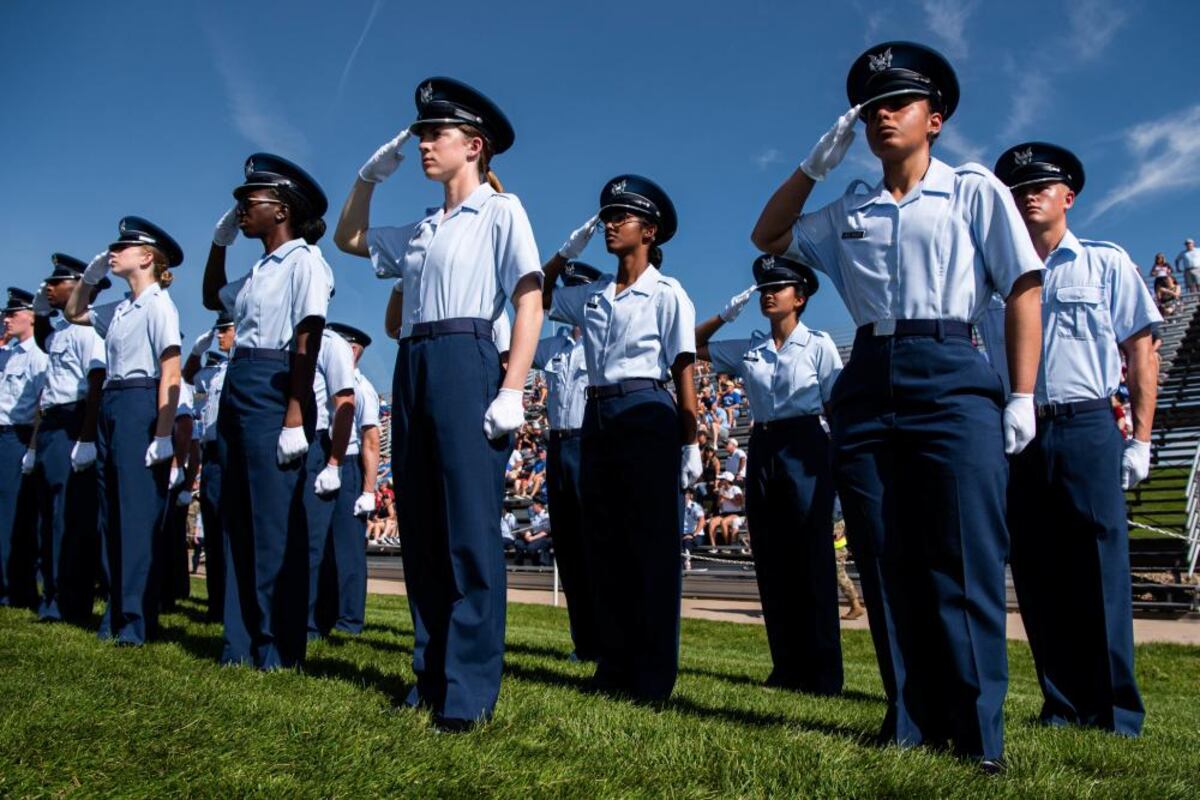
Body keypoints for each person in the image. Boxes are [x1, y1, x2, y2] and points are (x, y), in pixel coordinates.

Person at [750, 42, 1045, 767]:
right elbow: (769, 235)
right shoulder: (848, 207)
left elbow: (1024, 286)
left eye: (899, 103)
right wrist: (815, 165)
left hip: (950, 366)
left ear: (934, 119)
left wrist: (1023, 394)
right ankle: (909, 718)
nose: (883, 115)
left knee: (964, 553)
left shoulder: (973, 190)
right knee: (885, 556)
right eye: (872, 107)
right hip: (869, 371)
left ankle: (978, 734)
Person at [334, 77, 543, 730]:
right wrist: (368, 178)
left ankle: (469, 690)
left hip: (466, 355)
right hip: (415, 363)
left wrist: (513, 387)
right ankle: (429, 674)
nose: (424, 143)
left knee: (468, 534)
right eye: (421, 134)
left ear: (473, 145)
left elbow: (529, 297)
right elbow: (348, 239)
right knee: (422, 529)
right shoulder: (423, 227)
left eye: (436, 134)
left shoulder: (502, 212)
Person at [993, 141, 1159, 737]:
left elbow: (1140, 351)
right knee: (1037, 571)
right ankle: (1060, 704)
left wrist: (1140, 439)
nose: (1029, 194)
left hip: (1087, 422)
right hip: (1018, 430)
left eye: (1042, 184)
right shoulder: (995, 272)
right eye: (1018, 188)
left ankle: (1116, 712)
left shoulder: (1105, 263)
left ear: (1069, 196)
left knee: (1100, 570)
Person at [543, 174, 699, 702]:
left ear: (649, 231)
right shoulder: (591, 295)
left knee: (649, 548)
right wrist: (567, 251)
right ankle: (613, 668)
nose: (610, 224)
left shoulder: (668, 292)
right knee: (603, 545)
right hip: (597, 414)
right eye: (606, 216)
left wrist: (692, 442)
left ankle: (652, 678)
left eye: (621, 217)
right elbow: (536, 293)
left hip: (647, 410)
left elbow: (683, 369)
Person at [201, 153, 333, 669]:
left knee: (273, 521)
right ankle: (240, 642)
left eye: (248, 201)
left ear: (281, 210)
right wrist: (219, 244)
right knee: (237, 515)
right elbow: (215, 296)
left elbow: (308, 340)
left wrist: (295, 415)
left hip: (277, 383)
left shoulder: (305, 261)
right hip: (241, 380)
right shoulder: (258, 270)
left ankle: (278, 646)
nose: (240, 209)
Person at [695, 253, 844, 694]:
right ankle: (786, 667)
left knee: (812, 559)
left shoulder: (818, 345)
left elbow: (835, 405)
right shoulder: (751, 348)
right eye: (763, 289)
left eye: (776, 288)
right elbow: (690, 345)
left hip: (806, 442)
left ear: (799, 298)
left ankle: (823, 673)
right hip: (764, 445)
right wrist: (725, 315)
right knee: (772, 559)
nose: (767, 294)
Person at [64, 218, 185, 645]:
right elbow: (74, 312)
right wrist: (91, 277)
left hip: (139, 399)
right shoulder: (119, 308)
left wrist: (164, 433)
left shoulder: (158, 305)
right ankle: (115, 614)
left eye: (122, 247)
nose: (112, 252)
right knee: (110, 513)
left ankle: (135, 620)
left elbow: (170, 369)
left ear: (147, 257)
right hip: (113, 401)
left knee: (135, 518)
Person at [31, 255, 108, 624]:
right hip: (51, 423)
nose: (48, 286)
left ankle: (69, 600)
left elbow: (95, 384)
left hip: (74, 420)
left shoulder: (89, 331)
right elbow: (41, 328)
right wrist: (42, 305)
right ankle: (50, 595)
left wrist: (86, 435)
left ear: (78, 285)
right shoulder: (61, 331)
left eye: (56, 282)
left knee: (69, 517)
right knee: (48, 514)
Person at [532, 302, 599, 661]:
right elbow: (514, 353)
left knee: (595, 545)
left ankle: (607, 638)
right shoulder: (551, 347)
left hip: (589, 442)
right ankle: (584, 641)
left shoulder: (601, 341)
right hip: (557, 445)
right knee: (570, 548)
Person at [317, 322, 380, 636]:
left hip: (351, 464)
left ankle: (349, 619)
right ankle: (325, 612)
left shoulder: (362, 388)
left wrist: (368, 490)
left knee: (347, 548)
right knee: (324, 544)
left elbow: (371, 440)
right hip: (328, 457)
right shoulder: (327, 381)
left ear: (353, 350)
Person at [303, 320, 356, 641]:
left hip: (323, 445)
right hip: (292, 438)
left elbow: (347, 410)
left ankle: (312, 621)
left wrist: (334, 463)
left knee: (316, 543)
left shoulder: (331, 345)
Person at [183, 315, 235, 620]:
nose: (220, 337)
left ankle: (232, 602)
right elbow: (189, 377)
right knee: (214, 526)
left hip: (234, 450)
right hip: (212, 452)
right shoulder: (214, 373)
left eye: (225, 330)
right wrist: (195, 351)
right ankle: (217, 603)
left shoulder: (241, 366)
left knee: (233, 529)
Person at [0, 288, 49, 610]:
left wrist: (31, 447)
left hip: (17, 438)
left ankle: (14, 588)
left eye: (12, 313)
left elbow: (40, 409)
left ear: (31, 316)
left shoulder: (38, 357)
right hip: (3, 435)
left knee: (13, 516)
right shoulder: (9, 354)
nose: (6, 318)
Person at [513, 500, 552, 566]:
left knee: (531, 548)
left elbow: (546, 532)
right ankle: (519, 565)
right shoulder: (535, 516)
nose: (532, 507)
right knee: (518, 543)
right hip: (534, 535)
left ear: (539, 505)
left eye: (533, 505)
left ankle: (537, 565)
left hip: (543, 536)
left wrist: (532, 538)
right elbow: (533, 528)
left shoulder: (546, 515)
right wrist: (528, 533)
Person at [680, 487, 706, 571]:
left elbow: (702, 521)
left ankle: (687, 562)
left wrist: (693, 534)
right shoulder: (679, 506)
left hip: (696, 534)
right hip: (682, 533)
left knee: (687, 541)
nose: (684, 496)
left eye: (686, 494)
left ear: (690, 496)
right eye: (682, 494)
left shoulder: (695, 507)